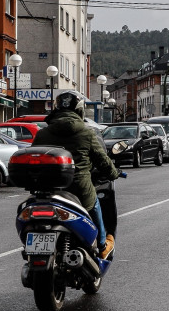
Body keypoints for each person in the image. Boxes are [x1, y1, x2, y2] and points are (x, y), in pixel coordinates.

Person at [32, 91, 120, 259]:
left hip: (47, 189)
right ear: (80, 111)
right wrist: (114, 173)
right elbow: (102, 160)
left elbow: (34, 155)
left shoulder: (42, 133)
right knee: (95, 204)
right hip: (78, 188)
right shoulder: (87, 133)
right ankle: (102, 244)